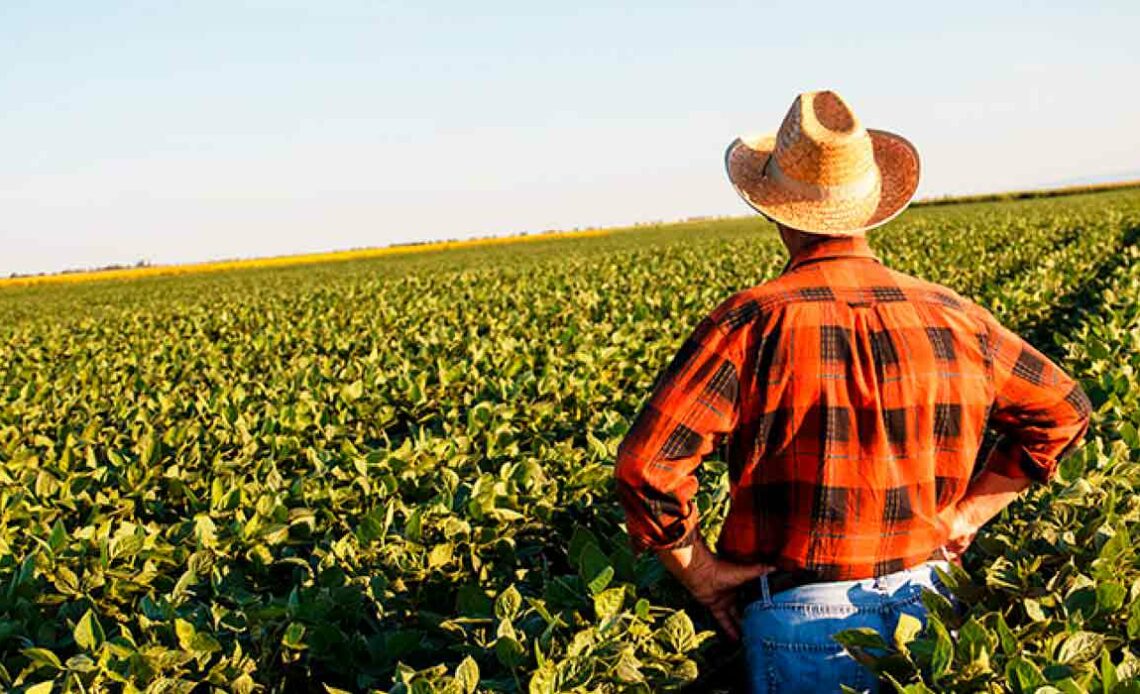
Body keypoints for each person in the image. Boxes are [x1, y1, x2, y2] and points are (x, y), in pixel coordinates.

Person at [613, 90, 1091, 693]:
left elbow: (646, 468)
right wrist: (966, 514)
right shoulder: (954, 315)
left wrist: (701, 573)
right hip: (931, 605)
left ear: (777, 213)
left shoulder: (749, 322)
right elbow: (1064, 410)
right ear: (870, 208)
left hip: (801, 617)